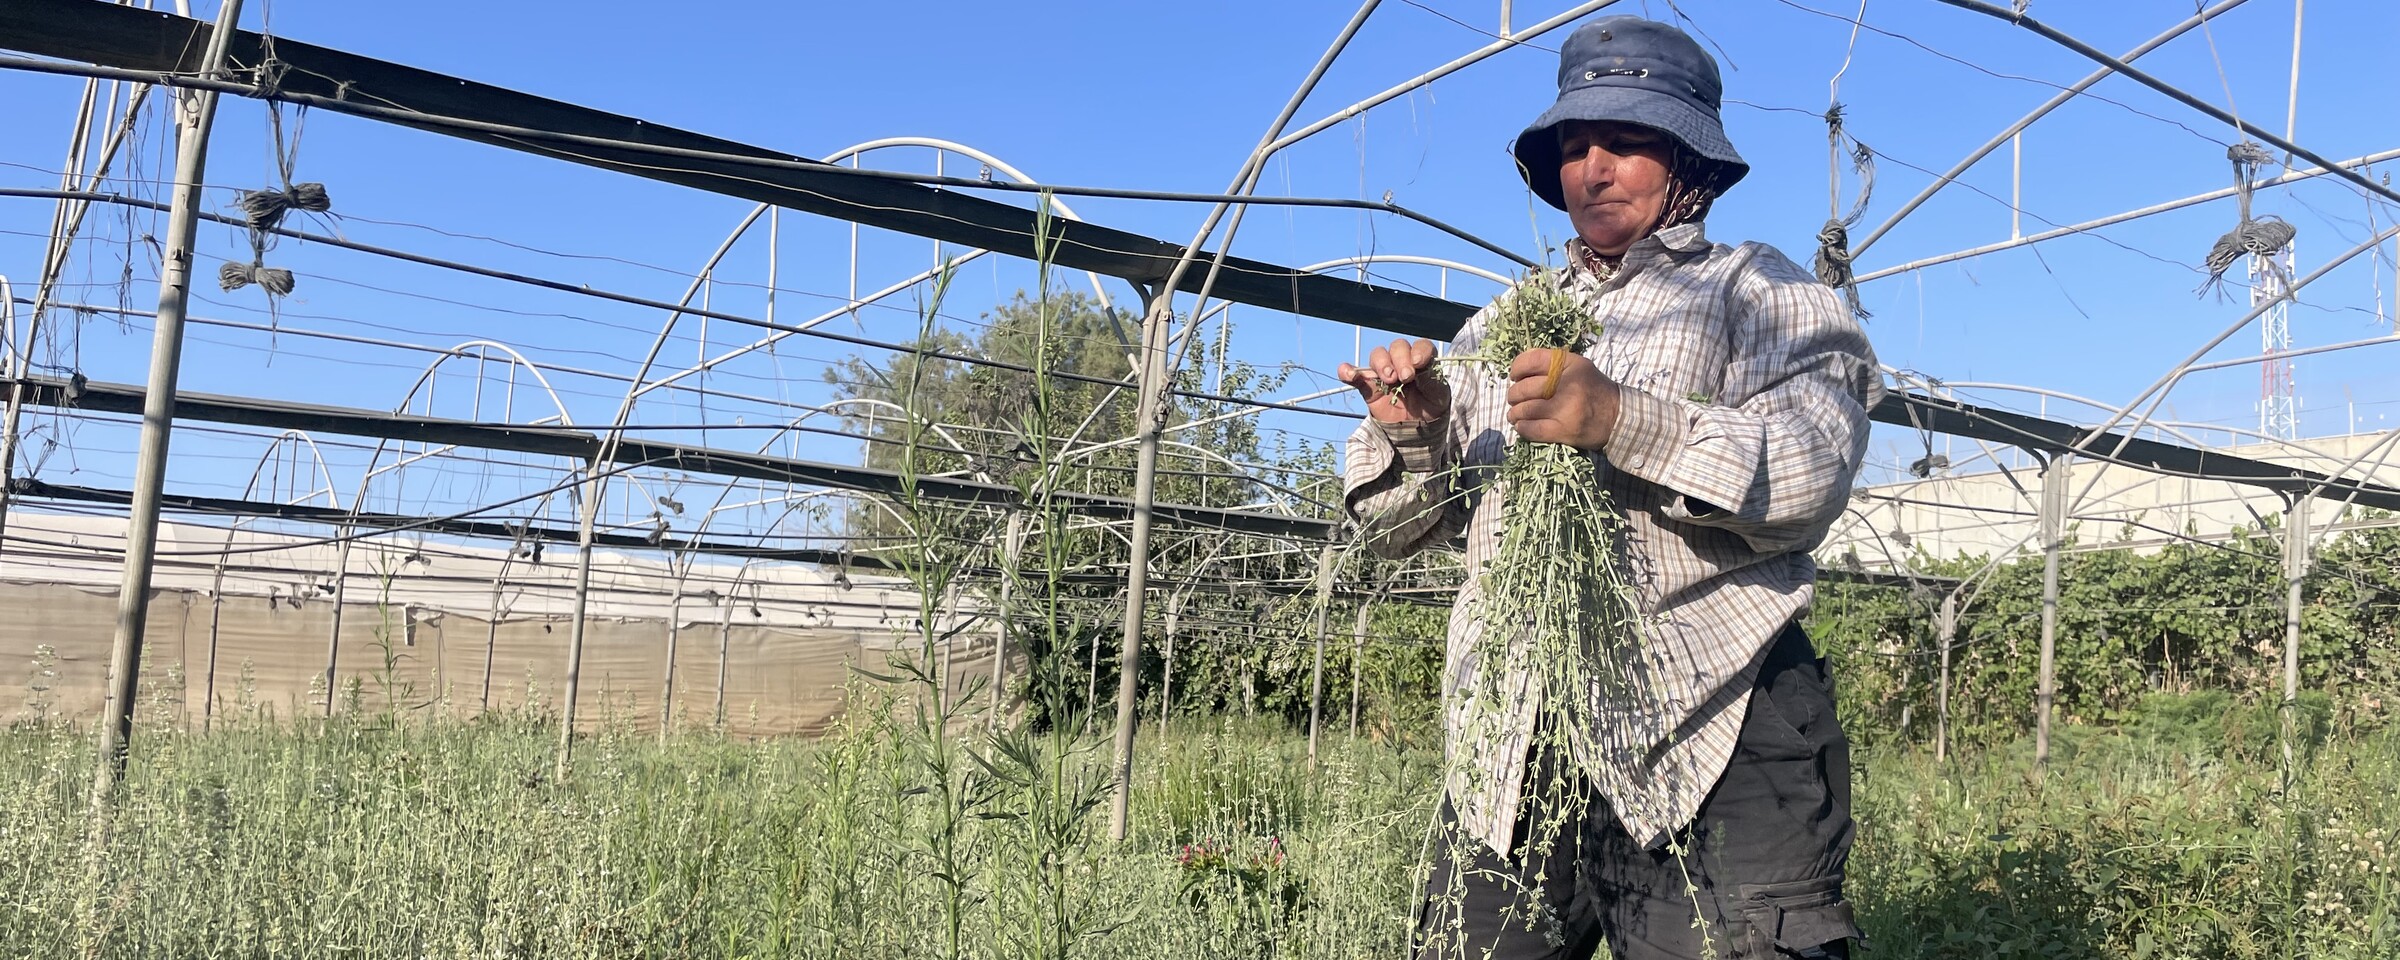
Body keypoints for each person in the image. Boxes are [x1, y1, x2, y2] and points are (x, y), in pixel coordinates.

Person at [1334, 16, 1882, 960]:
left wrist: (1621, 418)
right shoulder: (1505, 321)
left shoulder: (1763, 295)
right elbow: (1395, 531)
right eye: (1575, 146)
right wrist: (1413, 429)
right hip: (1514, 734)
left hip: (1713, 720)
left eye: (1626, 143)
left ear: (1689, 160)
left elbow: (1812, 470)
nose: (1593, 167)